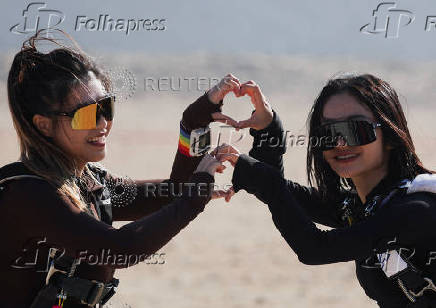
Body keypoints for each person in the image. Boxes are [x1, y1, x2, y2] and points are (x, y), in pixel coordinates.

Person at [0, 29, 241, 307]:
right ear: (44, 124)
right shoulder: (29, 194)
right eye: (87, 114)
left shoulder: (86, 182)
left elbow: (174, 190)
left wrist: (194, 121)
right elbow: (120, 249)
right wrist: (193, 198)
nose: (102, 123)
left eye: (106, 107)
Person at [214, 74, 436, 307]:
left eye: (356, 129)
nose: (340, 144)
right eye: (328, 134)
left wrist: (261, 177)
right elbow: (285, 198)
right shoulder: (365, 206)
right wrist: (268, 131)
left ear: (390, 136)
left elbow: (314, 248)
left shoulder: (417, 210)